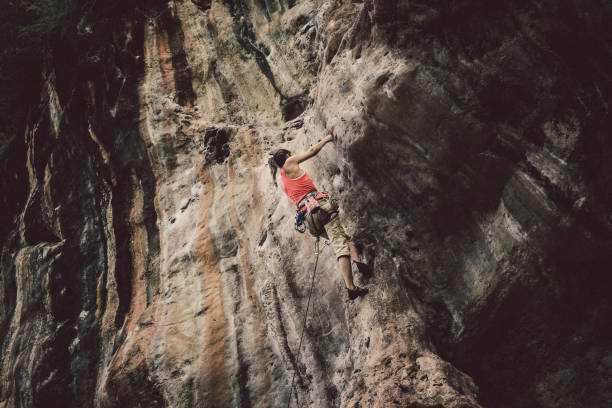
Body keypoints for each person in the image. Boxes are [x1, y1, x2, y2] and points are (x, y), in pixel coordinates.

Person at [268, 134, 369, 300]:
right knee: (340, 245)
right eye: (290, 154)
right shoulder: (289, 162)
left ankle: (357, 260)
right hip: (320, 208)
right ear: (287, 156)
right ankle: (351, 287)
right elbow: (312, 150)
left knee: (343, 238)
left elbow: (300, 197)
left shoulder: (283, 180)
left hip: (309, 218)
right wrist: (328, 138)